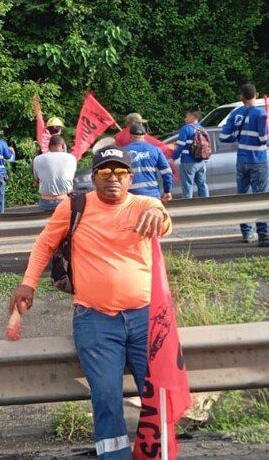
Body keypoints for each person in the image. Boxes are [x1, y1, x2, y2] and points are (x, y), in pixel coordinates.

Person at [9, 146, 171, 460]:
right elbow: (44, 244)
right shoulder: (75, 206)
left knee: (156, 394)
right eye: (106, 172)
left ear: (130, 178)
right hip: (96, 320)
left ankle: (157, 454)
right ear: (94, 177)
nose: (114, 178)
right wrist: (27, 284)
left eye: (121, 172)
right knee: (106, 397)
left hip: (145, 318)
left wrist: (159, 212)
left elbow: (163, 220)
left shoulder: (145, 204)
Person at [219, 84, 269, 247]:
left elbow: (223, 136)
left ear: (241, 96)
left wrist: (238, 136)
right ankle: (264, 236)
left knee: (242, 196)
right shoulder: (261, 114)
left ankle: (247, 232)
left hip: (242, 159)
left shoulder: (235, 113)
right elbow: (265, 140)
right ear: (255, 95)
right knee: (260, 197)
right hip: (258, 160)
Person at [124, 123, 173, 202]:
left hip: (131, 196)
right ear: (145, 135)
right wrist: (167, 190)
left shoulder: (123, 151)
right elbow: (167, 172)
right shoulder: (154, 150)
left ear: (130, 136)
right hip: (152, 195)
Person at [33, 135, 77, 211]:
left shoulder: (37, 159)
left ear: (49, 147)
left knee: (46, 223)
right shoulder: (71, 158)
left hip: (45, 201)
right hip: (64, 200)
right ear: (63, 146)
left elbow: (37, 180)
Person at [173, 110, 211, 199]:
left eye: (187, 116)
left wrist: (174, 157)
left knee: (187, 185)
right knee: (202, 184)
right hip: (201, 161)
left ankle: (187, 204)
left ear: (192, 117)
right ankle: (207, 202)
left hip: (188, 161)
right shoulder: (202, 129)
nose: (185, 119)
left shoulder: (186, 128)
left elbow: (180, 145)